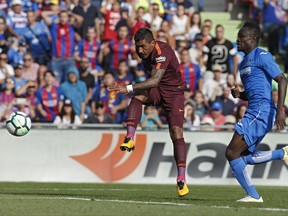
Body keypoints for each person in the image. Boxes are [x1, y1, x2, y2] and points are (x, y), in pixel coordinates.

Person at [107, 28, 189, 197]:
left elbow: (155, 79)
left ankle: (181, 179)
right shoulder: (145, 54)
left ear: (152, 43)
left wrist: (127, 87)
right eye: (137, 47)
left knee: (176, 133)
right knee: (138, 97)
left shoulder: (162, 51)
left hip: (173, 93)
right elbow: (154, 83)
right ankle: (130, 137)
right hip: (158, 89)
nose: (140, 50)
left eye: (143, 46)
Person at [225, 21, 288, 203]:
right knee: (242, 157)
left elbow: (282, 80)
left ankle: (254, 195)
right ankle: (281, 154)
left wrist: (280, 110)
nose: (237, 41)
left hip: (261, 111)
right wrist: (240, 94)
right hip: (254, 109)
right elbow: (254, 91)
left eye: (241, 38)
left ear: (252, 39)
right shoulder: (245, 62)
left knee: (231, 153)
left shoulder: (262, 55)